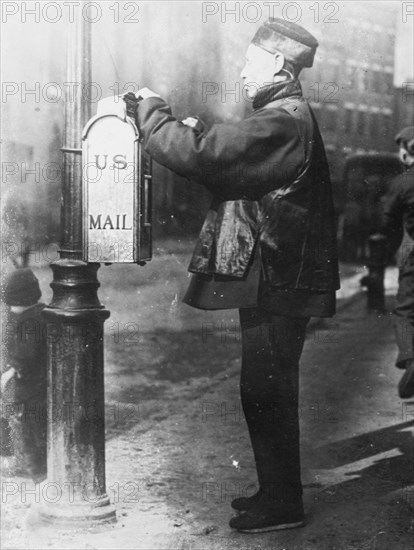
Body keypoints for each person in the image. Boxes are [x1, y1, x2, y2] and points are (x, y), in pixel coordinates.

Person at [125, 18, 339, 533]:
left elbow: (204, 156)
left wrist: (152, 112)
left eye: (250, 64)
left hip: (278, 279)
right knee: (264, 388)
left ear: (277, 66)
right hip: (278, 274)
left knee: (266, 388)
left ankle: (283, 505)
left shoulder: (283, 121)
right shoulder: (283, 118)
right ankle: (276, 491)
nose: (242, 74)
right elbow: (228, 161)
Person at [1, 268, 47, 482]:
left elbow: (26, 352)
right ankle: (34, 469)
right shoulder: (37, 314)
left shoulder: (30, 321)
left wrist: (13, 368)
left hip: (31, 387)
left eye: (11, 303)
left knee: (33, 433)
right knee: (30, 429)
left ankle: (40, 475)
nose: (9, 308)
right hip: (34, 385)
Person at [379, 126, 414, 399]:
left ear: (405, 151)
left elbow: (387, 221)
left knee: (405, 311)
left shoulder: (403, 183)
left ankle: (411, 360)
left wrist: (394, 249)